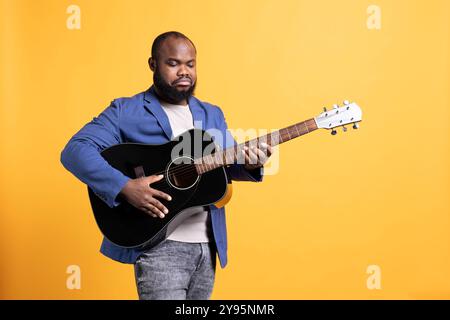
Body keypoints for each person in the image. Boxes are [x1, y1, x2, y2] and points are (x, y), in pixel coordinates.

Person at [60, 31, 272, 300]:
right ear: (153, 65)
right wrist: (124, 186)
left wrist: (251, 164)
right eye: (173, 64)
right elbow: (75, 151)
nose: (184, 72)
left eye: (190, 64)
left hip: (207, 247)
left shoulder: (211, 113)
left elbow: (223, 166)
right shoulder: (127, 110)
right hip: (159, 245)